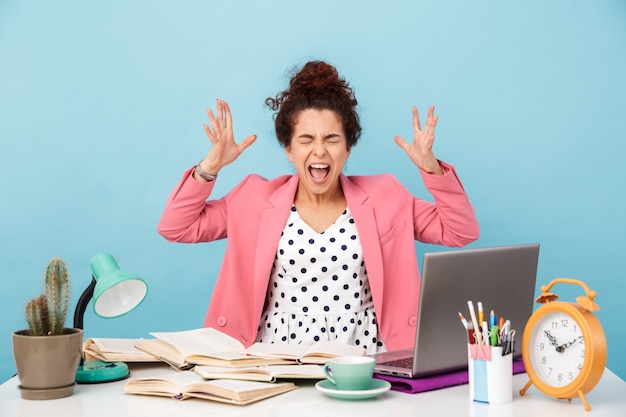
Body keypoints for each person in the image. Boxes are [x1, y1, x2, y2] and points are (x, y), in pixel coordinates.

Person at [157, 60, 479, 353]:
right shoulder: (252, 199)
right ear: (288, 149)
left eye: (332, 139)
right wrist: (210, 166)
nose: (320, 151)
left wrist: (432, 169)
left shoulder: (386, 198)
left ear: (348, 148)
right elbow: (176, 226)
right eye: (306, 139)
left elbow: (460, 231)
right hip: (278, 362)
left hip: (365, 360)